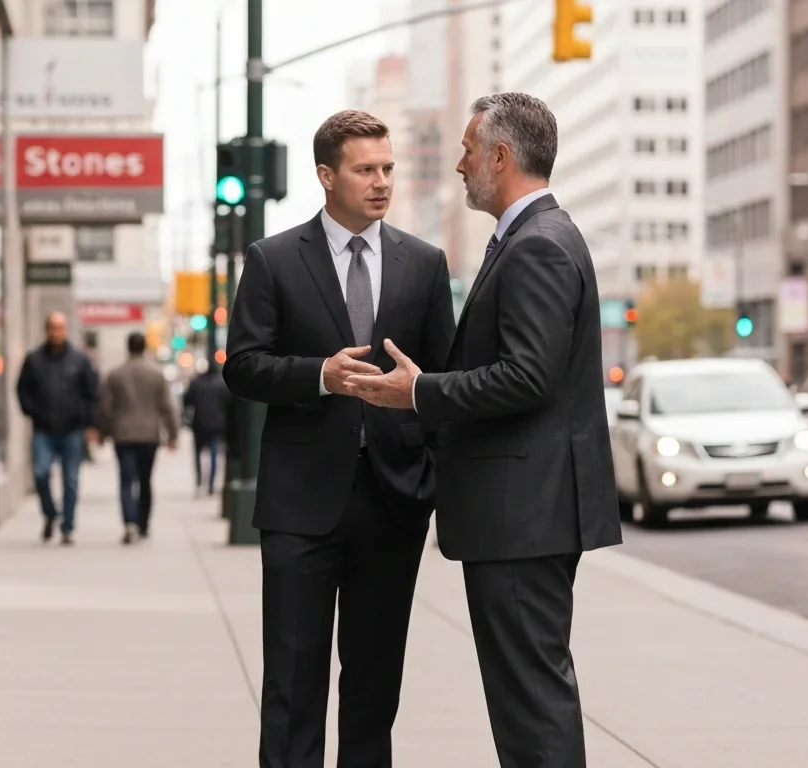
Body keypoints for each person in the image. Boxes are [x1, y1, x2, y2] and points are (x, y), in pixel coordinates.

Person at [345, 92, 624, 768]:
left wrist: (420, 392)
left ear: (501, 157)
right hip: (521, 514)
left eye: (470, 150)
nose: (461, 164)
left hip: (523, 516)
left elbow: (528, 378)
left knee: (530, 697)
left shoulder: (539, 248)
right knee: (527, 692)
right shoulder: (531, 240)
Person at [222, 109, 456, 767]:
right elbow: (242, 366)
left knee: (374, 691)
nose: (381, 182)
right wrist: (319, 376)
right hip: (301, 502)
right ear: (327, 175)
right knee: (292, 686)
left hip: (393, 500)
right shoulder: (272, 260)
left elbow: (443, 379)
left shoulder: (425, 264)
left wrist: (429, 474)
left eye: (387, 168)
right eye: (365, 170)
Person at [15, 311, 100, 545]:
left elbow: (92, 394)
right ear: (47, 330)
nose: (57, 332)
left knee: (70, 480)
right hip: (43, 429)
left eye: (61, 328)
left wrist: (90, 424)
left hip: (71, 429)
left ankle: (67, 526)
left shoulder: (79, 361)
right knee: (41, 474)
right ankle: (50, 513)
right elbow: (22, 390)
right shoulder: (34, 359)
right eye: (53, 327)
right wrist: (32, 411)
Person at [97, 331, 179, 544]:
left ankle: (129, 522)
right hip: (149, 435)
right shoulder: (156, 374)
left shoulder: (116, 374)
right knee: (145, 480)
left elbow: (106, 407)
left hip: (123, 435)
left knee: (126, 480)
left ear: (128, 347)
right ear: (144, 348)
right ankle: (143, 523)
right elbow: (168, 406)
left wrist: (103, 431)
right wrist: (173, 434)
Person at [182, 367, 230, 495]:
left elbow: (187, 401)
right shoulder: (221, 384)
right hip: (216, 424)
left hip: (199, 423)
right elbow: (228, 403)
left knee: (197, 453)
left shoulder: (196, 383)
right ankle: (211, 483)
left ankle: (199, 480)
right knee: (214, 453)